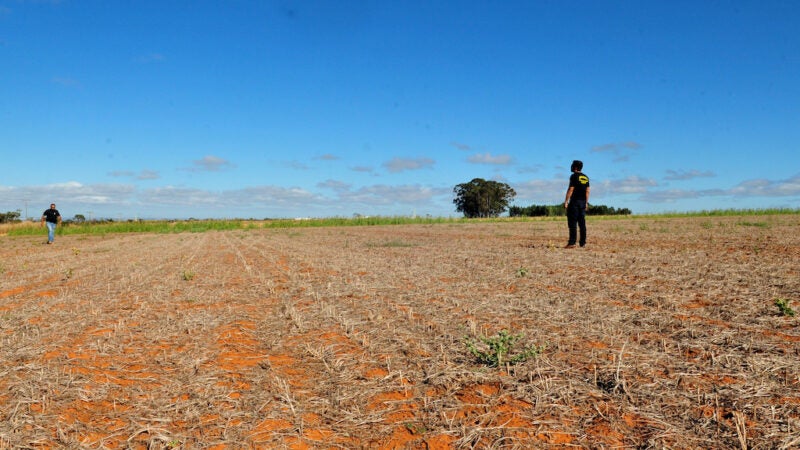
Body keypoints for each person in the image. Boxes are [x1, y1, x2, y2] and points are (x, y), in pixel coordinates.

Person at [564, 160, 590, 248]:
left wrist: (566, 201)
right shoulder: (586, 177)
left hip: (574, 202)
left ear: (575, 167)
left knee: (572, 223)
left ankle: (572, 243)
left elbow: (571, 189)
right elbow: (587, 191)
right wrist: (586, 203)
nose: (571, 167)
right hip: (582, 202)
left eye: (572, 165)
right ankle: (582, 243)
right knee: (582, 223)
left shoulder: (574, 176)